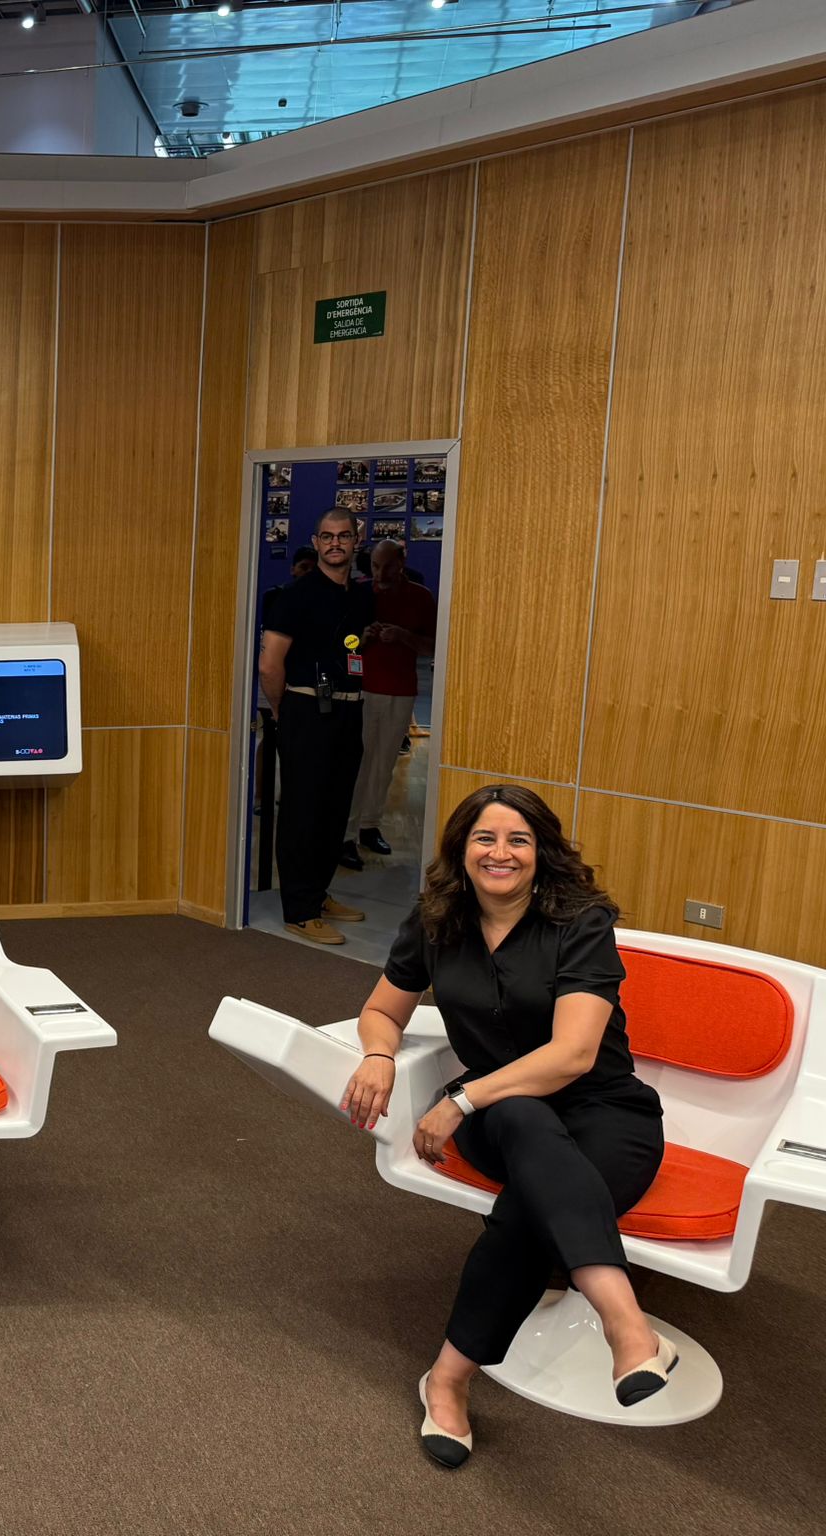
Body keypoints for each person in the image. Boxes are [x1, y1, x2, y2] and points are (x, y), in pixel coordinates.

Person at [338, 785, 671, 1468]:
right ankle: (626, 1323)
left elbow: (573, 1055)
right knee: (520, 1115)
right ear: (462, 851)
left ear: (540, 852)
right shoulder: (436, 922)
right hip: (501, 1115)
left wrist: (458, 1100)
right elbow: (383, 1009)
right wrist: (378, 1053)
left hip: (606, 1112)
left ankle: (448, 1379)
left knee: (527, 1207)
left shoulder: (580, 921)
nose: (500, 853)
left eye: (518, 840)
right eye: (485, 838)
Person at [258, 506, 375, 944]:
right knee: (303, 811)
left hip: (348, 709)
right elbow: (270, 665)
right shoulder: (296, 595)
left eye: (343, 536)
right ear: (316, 540)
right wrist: (283, 711)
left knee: (334, 807)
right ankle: (299, 909)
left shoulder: (360, 597)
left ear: (355, 540)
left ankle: (319, 892)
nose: (335, 544)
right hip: (305, 709)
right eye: (327, 537)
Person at [340, 540, 437, 870]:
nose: (381, 573)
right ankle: (346, 835)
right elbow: (343, 645)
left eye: (388, 566)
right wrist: (364, 638)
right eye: (376, 566)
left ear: (402, 562)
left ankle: (369, 827)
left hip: (401, 691)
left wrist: (402, 636)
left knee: (384, 766)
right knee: (358, 764)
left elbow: (431, 647)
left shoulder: (421, 597)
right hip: (363, 690)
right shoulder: (360, 592)